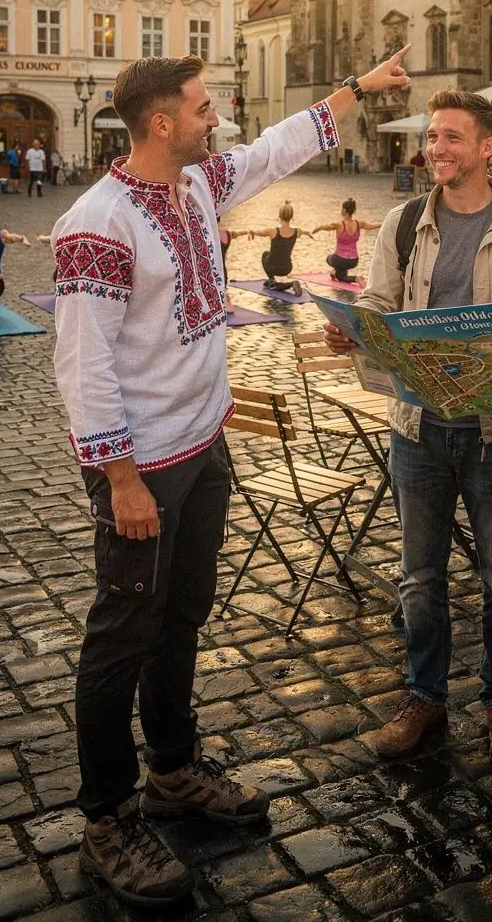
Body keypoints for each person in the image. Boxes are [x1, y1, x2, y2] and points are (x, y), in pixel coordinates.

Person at [50, 49, 409, 908]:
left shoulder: (199, 183)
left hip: (203, 449)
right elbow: (83, 367)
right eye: (203, 107)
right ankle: (107, 819)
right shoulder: (95, 225)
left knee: (182, 617)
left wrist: (356, 90)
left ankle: (173, 768)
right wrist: (124, 480)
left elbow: (279, 148)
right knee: (120, 637)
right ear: (161, 122)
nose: (218, 119)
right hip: (142, 472)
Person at [324, 90, 492, 773]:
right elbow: (382, 299)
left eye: (451, 137)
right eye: (432, 136)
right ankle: (425, 694)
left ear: (486, 149)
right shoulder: (406, 220)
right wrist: (355, 327)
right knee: (420, 577)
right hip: (418, 426)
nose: (436, 148)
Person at [313, 198, 380, 282]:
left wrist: (315, 230)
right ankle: (355, 278)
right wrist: (384, 223)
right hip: (354, 261)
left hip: (339, 259)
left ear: (344, 210)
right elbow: (372, 226)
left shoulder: (339, 225)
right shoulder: (359, 224)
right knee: (340, 277)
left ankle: (335, 271)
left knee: (329, 258)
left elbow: (324, 227)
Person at [248, 201, 308, 294]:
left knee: (265, 254)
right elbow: (304, 232)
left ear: (279, 216)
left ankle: (276, 281)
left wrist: (252, 232)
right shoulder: (297, 232)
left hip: (273, 267)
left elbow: (260, 232)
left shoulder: (273, 231)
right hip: (287, 268)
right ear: (291, 216)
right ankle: (277, 282)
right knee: (268, 255)